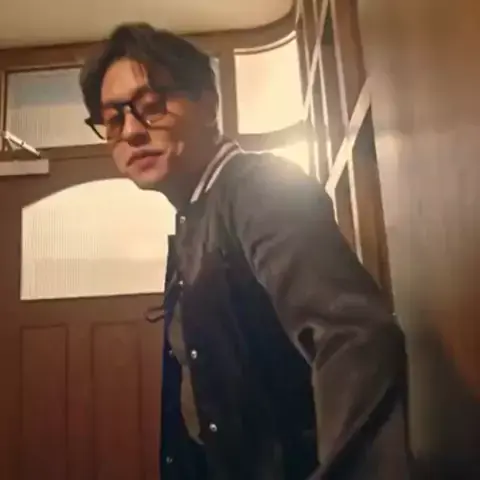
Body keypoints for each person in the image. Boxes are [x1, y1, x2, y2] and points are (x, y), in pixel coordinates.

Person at [80, 23, 411, 480]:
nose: (132, 131)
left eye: (151, 106)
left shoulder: (259, 190)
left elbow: (355, 336)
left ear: (209, 105)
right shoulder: (195, 210)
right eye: (113, 120)